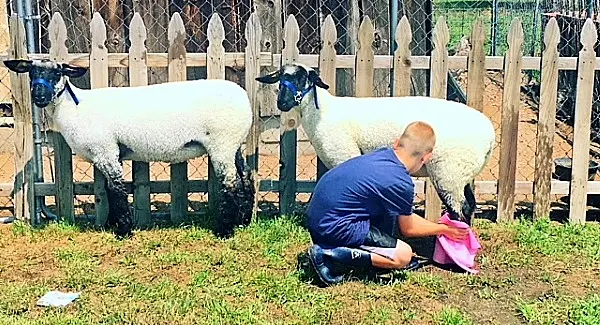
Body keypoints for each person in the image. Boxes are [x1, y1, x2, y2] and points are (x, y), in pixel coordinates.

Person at [306, 121, 469, 286]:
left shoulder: (383, 154)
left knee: (388, 211)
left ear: (397, 142)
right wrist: (443, 229)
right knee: (403, 255)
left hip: (320, 216)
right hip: (333, 226)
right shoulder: (400, 181)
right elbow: (409, 228)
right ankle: (329, 255)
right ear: (426, 157)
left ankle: (372, 257)